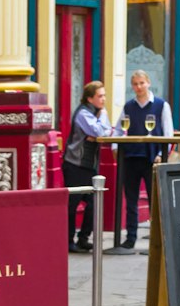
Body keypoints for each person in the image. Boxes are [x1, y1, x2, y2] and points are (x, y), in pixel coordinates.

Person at [118, 69, 173, 249]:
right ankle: (130, 237)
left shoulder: (161, 105)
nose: (139, 87)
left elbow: (168, 134)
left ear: (148, 83)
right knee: (131, 200)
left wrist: (160, 155)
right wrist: (114, 148)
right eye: (135, 84)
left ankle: (156, 240)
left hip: (152, 158)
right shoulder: (128, 106)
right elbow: (119, 130)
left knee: (154, 200)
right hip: (131, 156)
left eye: (142, 83)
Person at [62, 81, 113, 252]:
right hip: (75, 164)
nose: (103, 99)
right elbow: (99, 132)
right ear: (90, 98)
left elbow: (106, 132)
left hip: (89, 165)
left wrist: (99, 127)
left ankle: (83, 238)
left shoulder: (95, 113)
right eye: (100, 96)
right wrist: (102, 120)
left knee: (94, 202)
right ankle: (68, 240)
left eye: (104, 95)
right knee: (73, 203)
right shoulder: (83, 113)